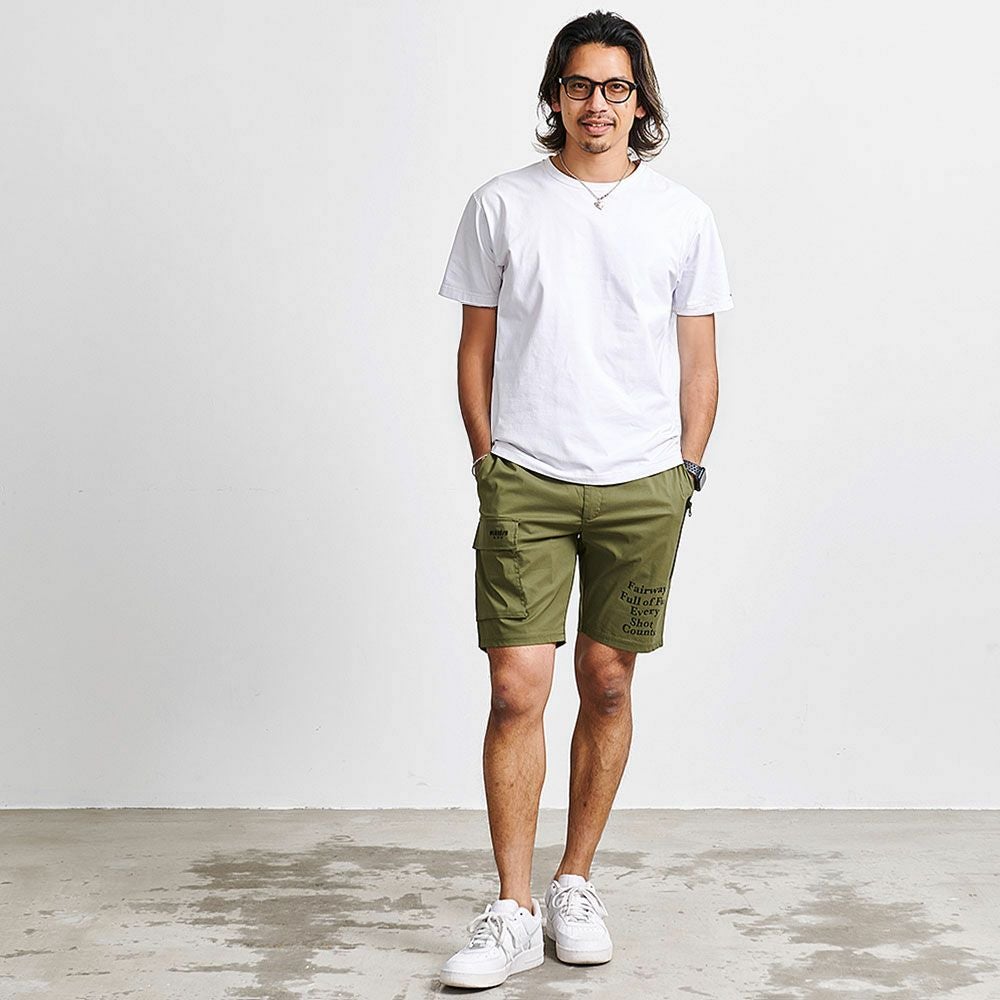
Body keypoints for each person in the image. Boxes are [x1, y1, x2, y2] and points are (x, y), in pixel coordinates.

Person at [435, 10, 734, 990]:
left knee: (608, 683)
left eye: (615, 87)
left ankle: (573, 883)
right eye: (578, 85)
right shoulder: (501, 205)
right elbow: (475, 349)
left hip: (642, 485)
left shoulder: (683, 216)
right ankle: (512, 908)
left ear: (639, 100)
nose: (596, 104)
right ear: (554, 95)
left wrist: (686, 470)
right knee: (515, 687)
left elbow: (699, 360)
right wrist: (488, 461)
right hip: (526, 479)